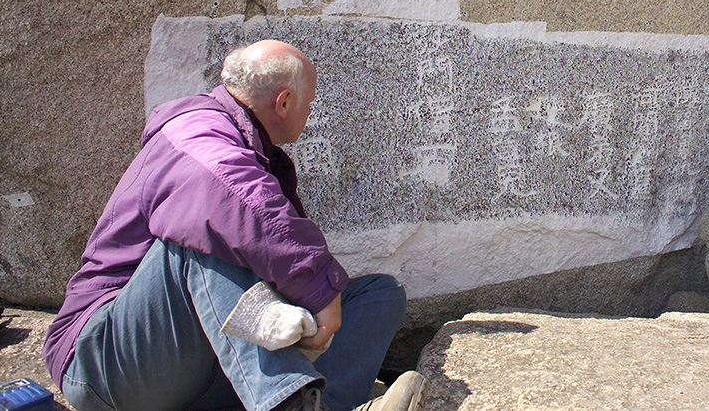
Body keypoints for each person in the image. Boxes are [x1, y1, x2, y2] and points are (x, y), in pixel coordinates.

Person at [43, 40, 428, 411]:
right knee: (211, 230)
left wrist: (319, 299)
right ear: (285, 102)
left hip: (204, 369)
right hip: (108, 364)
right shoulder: (194, 129)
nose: (310, 114)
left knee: (379, 294)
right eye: (309, 104)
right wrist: (317, 286)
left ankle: (321, 403)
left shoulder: (257, 151)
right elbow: (231, 197)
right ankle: (287, 403)